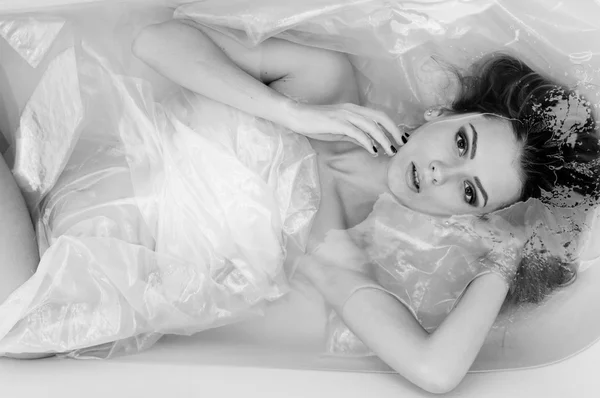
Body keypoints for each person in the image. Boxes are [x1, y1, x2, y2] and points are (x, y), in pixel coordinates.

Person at [132, 19, 600, 393]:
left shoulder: (334, 252)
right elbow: (155, 41)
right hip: (74, 159)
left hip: (93, 266)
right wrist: (293, 114)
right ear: (445, 113)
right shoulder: (321, 82)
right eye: (461, 142)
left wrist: (506, 255)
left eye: (469, 192)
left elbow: (434, 371)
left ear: (468, 217)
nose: (442, 173)